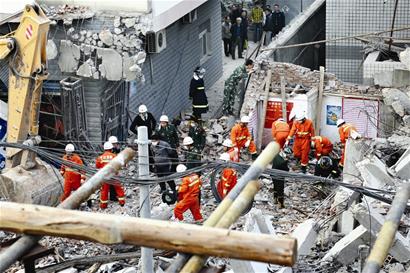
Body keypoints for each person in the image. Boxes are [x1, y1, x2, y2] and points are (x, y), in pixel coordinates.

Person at [96, 142, 125, 209]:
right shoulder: (114, 156)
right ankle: (122, 202)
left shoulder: (100, 158)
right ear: (111, 149)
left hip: (105, 176)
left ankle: (103, 205)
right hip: (114, 175)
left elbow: (97, 166)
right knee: (118, 188)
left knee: (104, 190)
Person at [108, 135, 121, 201]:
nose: (116, 144)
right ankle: (113, 197)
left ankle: (113, 196)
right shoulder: (110, 151)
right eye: (115, 143)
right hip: (110, 169)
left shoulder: (115, 150)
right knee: (112, 183)